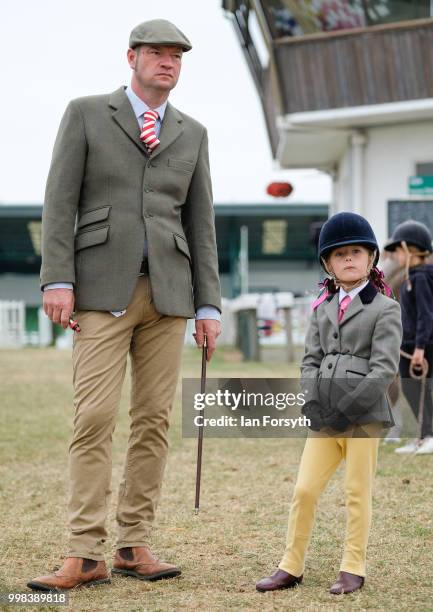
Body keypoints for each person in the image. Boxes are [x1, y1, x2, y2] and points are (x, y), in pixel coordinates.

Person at [28, 19, 222, 591]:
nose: (168, 63)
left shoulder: (193, 132)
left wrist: (208, 306)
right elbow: (58, 203)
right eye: (157, 54)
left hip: (170, 296)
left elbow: (201, 224)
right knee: (92, 418)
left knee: (154, 421)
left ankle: (134, 544)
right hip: (98, 293)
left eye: (176, 57)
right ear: (131, 58)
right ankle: (83, 551)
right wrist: (55, 279)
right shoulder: (86, 113)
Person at [256, 212, 402, 595]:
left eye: (356, 252)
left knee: (356, 492)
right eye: (339, 255)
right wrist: (312, 400)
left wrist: (345, 407)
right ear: (328, 264)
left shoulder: (385, 308)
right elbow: (310, 360)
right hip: (323, 416)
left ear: (370, 258)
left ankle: (353, 567)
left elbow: (383, 369)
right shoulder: (322, 307)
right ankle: (291, 565)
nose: (348, 259)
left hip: (363, 416)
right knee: (304, 490)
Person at [384, 220, 433, 455]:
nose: (395, 257)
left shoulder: (421, 278)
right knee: (413, 391)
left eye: (397, 252)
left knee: (420, 390)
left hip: (418, 346)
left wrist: (420, 348)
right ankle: (423, 436)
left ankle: (429, 435)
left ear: (410, 249)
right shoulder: (411, 277)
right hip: (409, 345)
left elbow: (426, 315)